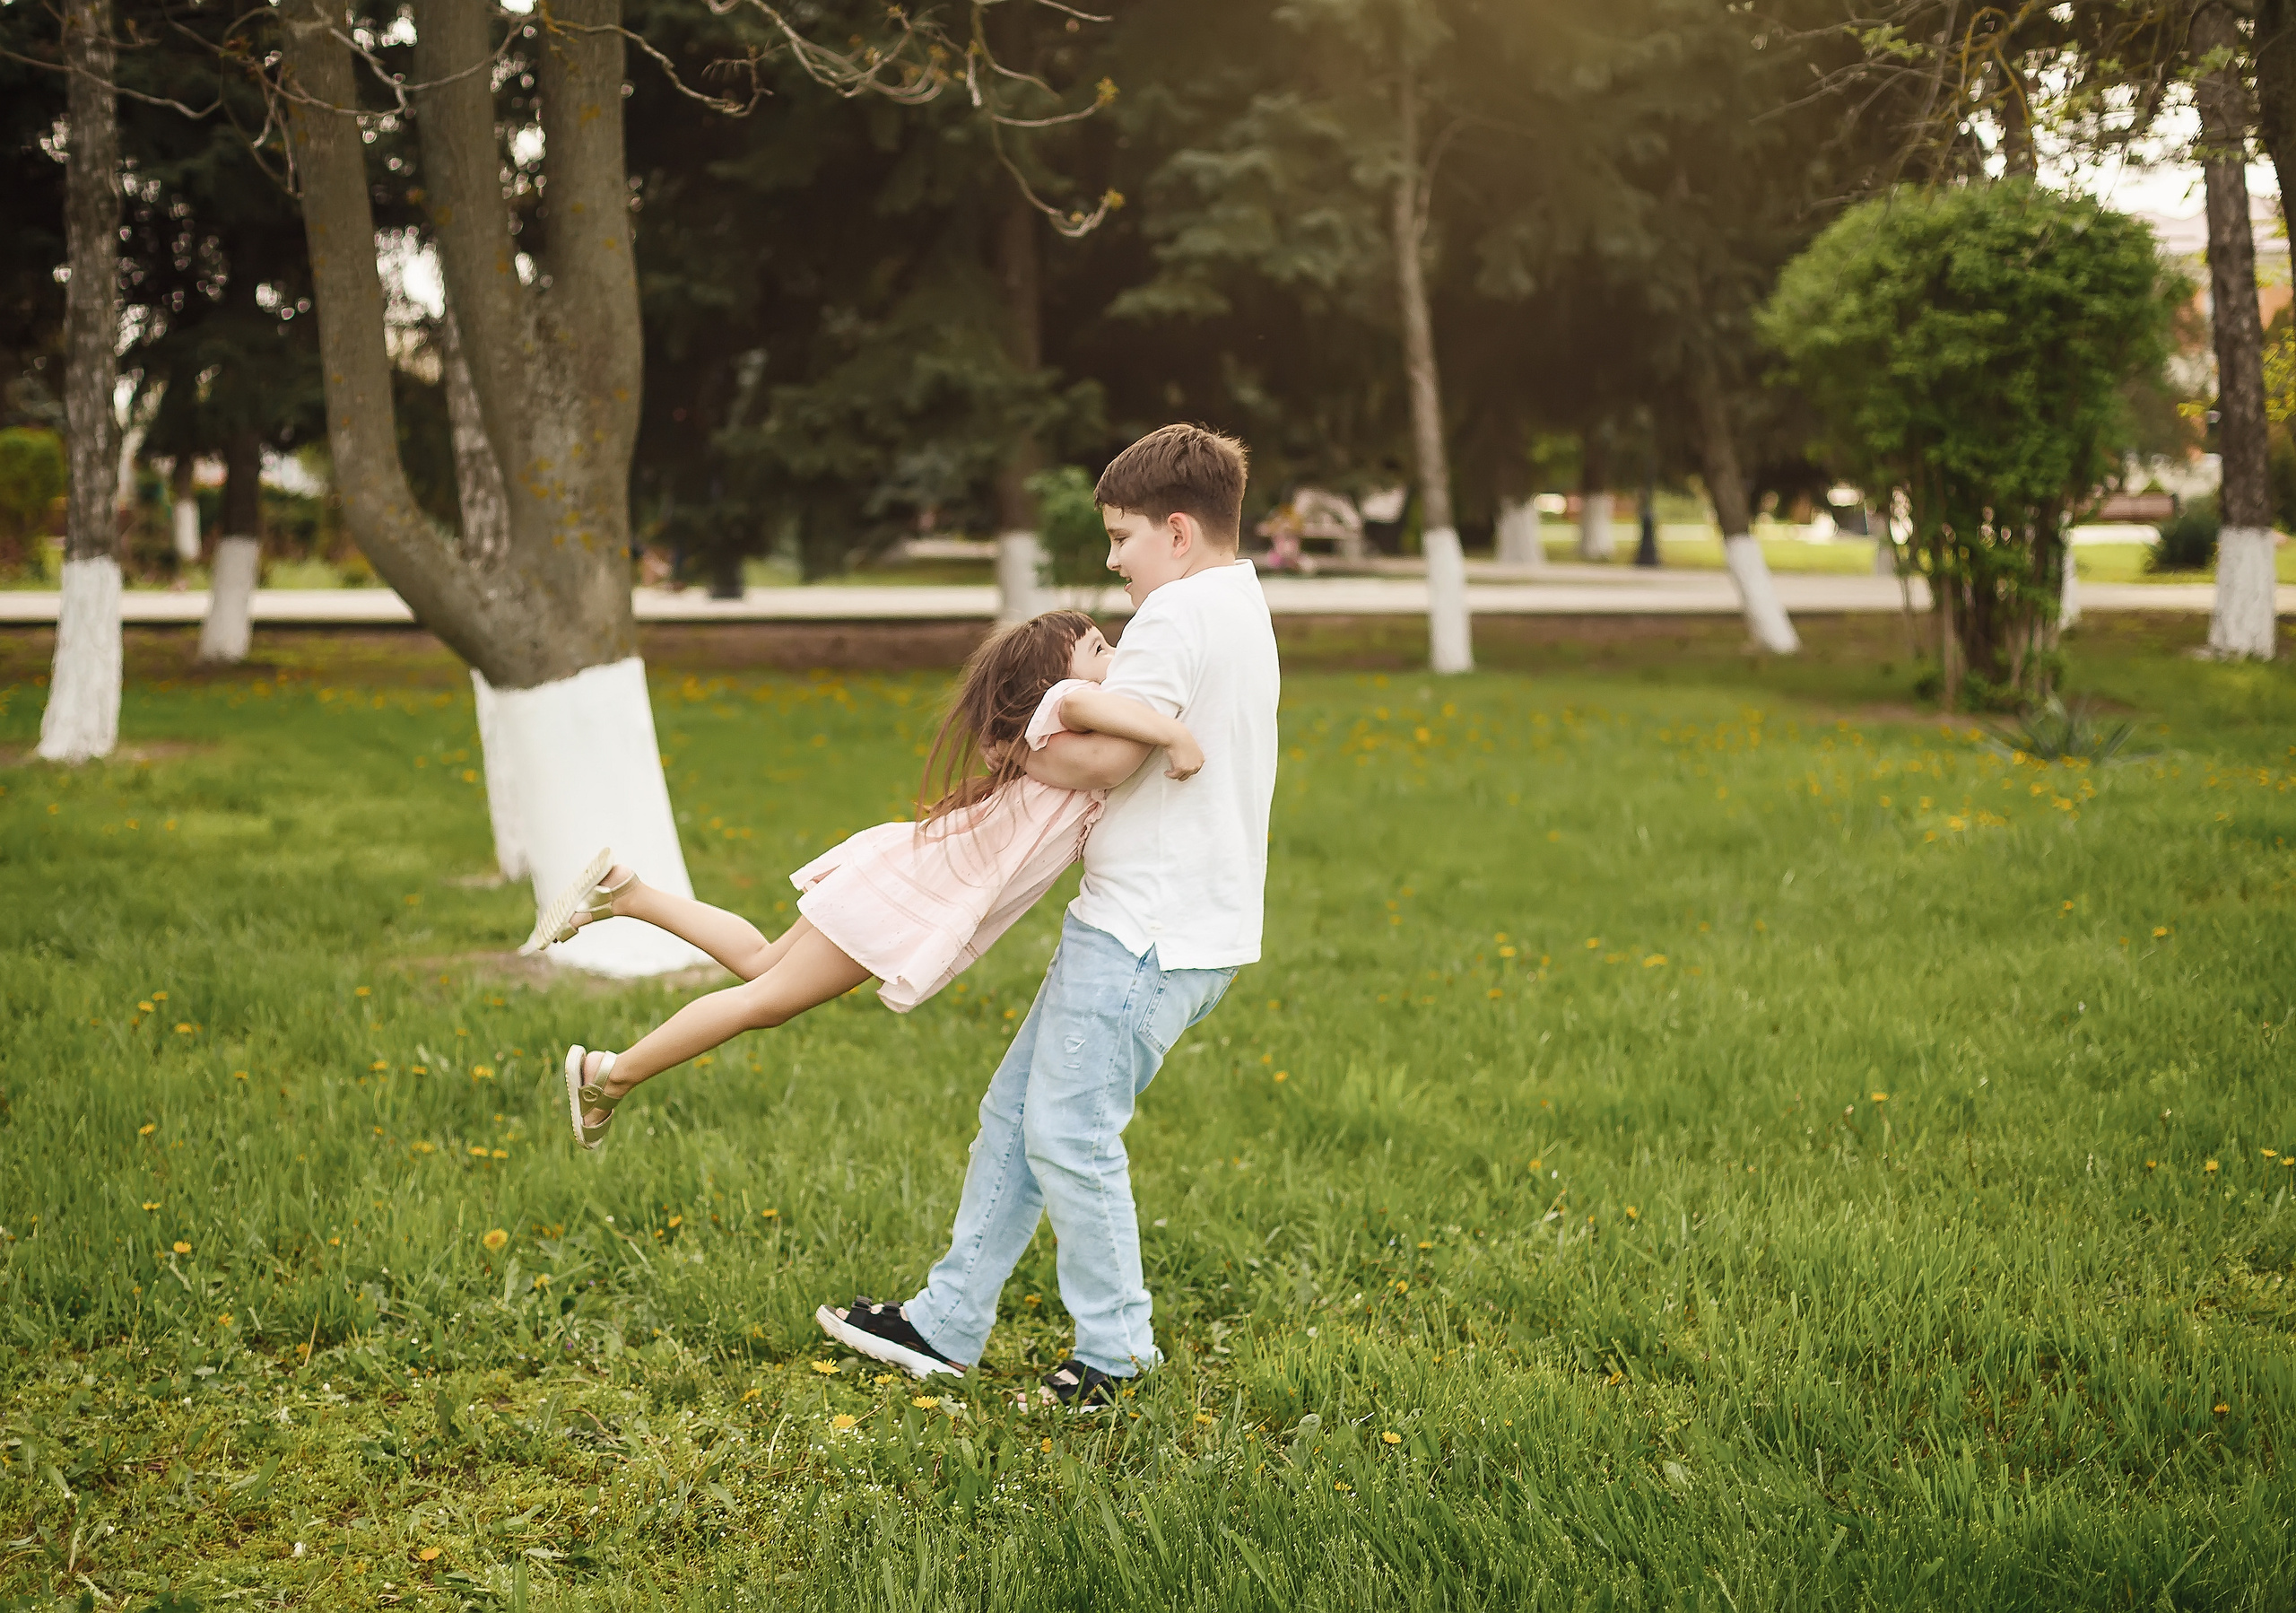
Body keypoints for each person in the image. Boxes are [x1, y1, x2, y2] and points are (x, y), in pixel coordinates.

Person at [816, 423, 1280, 1410]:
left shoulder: (1172, 615)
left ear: (1179, 530)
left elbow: (1105, 758)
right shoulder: (1240, 603)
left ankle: (1115, 1357)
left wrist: (1014, 741)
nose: (1112, 559)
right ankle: (945, 1322)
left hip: (1147, 929)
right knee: (1013, 1116)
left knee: (1068, 1132)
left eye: (1121, 536)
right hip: (1177, 919)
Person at [546, 609, 1204, 1151]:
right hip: (908, 896)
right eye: (1098, 646)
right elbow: (1087, 699)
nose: (1115, 653)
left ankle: (630, 892)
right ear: (1051, 679)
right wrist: (1174, 734)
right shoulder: (1063, 705)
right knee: (765, 1001)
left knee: (759, 963)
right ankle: (611, 1074)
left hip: (901, 874)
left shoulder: (1056, 739)